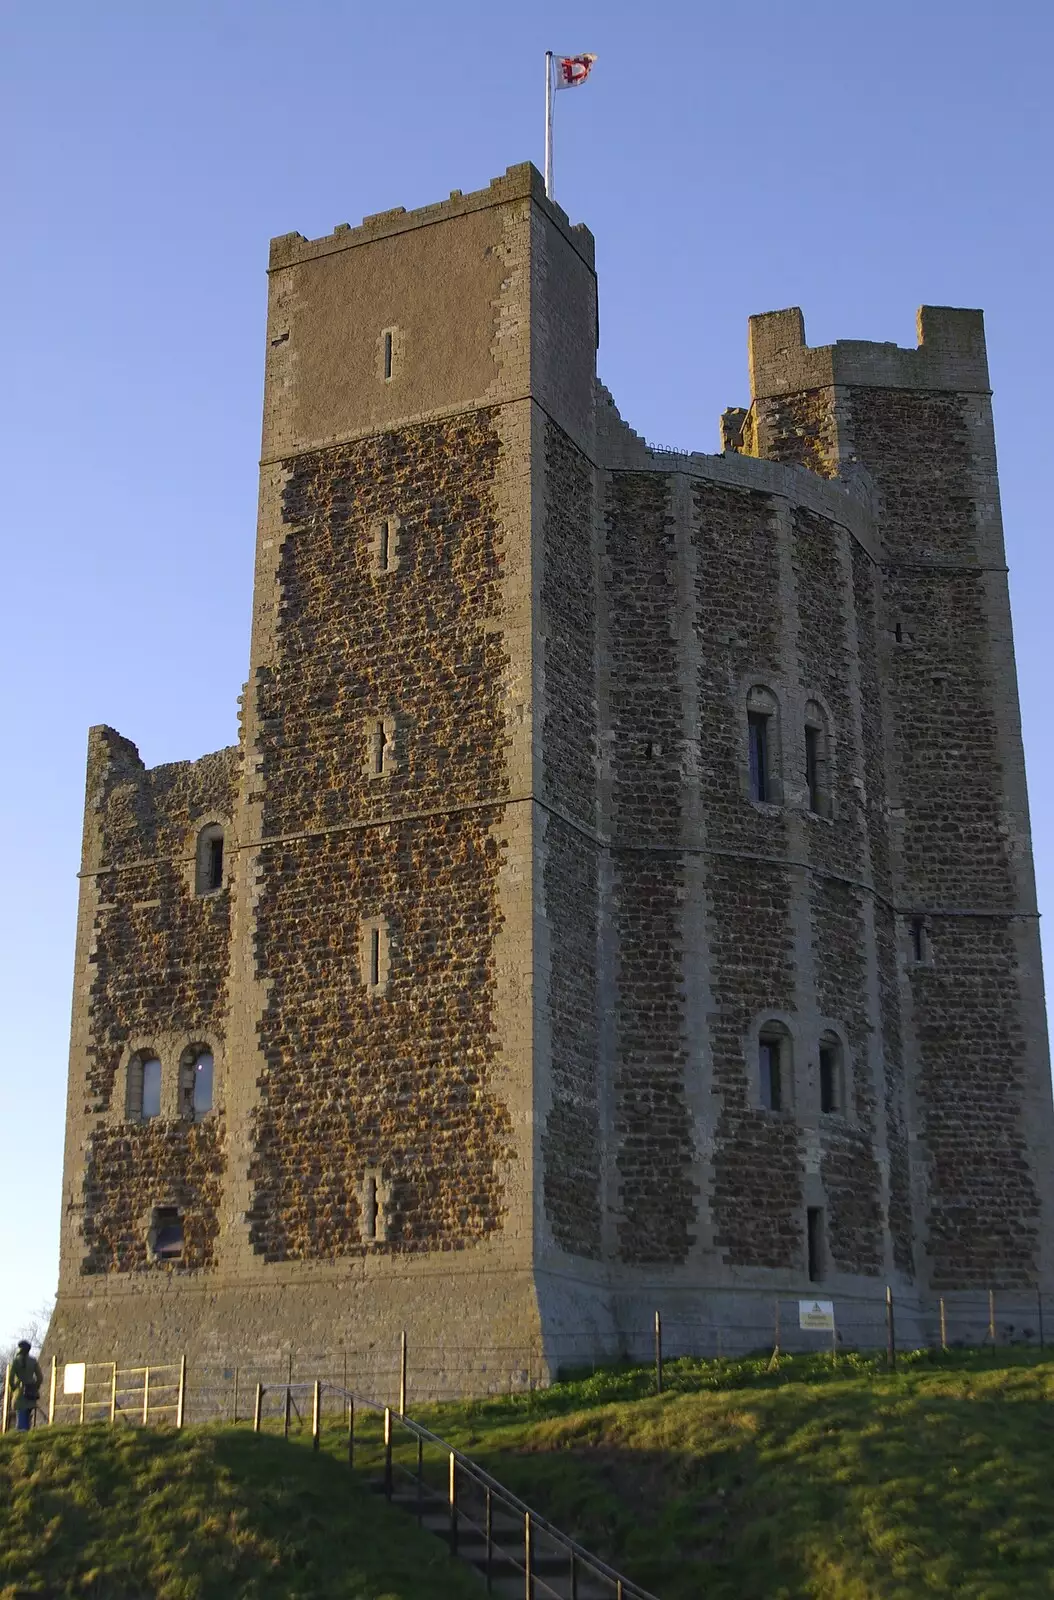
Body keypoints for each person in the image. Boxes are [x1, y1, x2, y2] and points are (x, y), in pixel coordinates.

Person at [8, 1340, 43, 1432]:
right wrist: (35, 1387)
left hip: (19, 1393)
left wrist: (13, 1388)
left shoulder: (16, 1361)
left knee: (21, 1418)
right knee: (27, 1416)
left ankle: (22, 1437)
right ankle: (27, 1436)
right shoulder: (33, 1360)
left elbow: (10, 1378)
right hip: (31, 1391)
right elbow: (40, 1377)